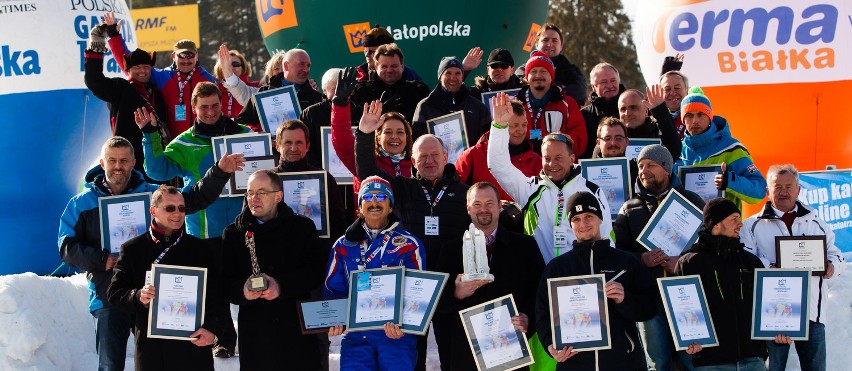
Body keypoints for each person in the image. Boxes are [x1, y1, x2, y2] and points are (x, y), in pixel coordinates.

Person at [58, 136, 241, 371]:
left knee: (155, 360)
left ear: (133, 162)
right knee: (110, 364)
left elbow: (193, 197)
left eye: (124, 160)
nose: (118, 166)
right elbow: (66, 246)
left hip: (157, 296)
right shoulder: (81, 203)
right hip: (109, 292)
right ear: (102, 163)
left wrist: (218, 172)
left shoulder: (152, 195)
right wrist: (103, 259)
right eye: (112, 160)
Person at [355, 102, 470, 370]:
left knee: (454, 356)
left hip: (450, 286)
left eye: (434, 155)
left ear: (445, 155)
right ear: (413, 160)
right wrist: (363, 134)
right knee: (411, 358)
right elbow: (367, 173)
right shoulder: (403, 188)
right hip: (411, 287)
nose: (429, 161)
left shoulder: (465, 193)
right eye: (422, 157)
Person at [107, 186, 230, 371]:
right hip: (152, 350)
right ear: (153, 210)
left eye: (182, 208)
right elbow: (114, 294)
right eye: (170, 208)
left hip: (193, 346)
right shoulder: (133, 249)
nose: (178, 214)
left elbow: (217, 297)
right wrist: (138, 295)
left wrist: (213, 330)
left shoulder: (201, 249)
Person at [740, 164, 845, 371]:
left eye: (789, 186)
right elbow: (744, 260)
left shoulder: (816, 223)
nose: (783, 191)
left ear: (798, 190)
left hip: (811, 312)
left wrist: (832, 266)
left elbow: (835, 254)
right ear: (768, 191)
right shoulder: (752, 225)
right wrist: (772, 268)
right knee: (774, 368)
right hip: (773, 315)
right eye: (777, 186)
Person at [535, 191, 658, 370]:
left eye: (588, 216)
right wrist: (550, 345)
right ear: (570, 224)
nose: (583, 223)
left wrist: (625, 300)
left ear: (600, 219)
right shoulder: (557, 268)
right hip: (575, 364)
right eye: (576, 219)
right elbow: (542, 314)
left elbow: (651, 306)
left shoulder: (626, 262)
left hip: (622, 362)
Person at [488, 92, 611, 264]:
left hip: (582, 278)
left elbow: (607, 237)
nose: (552, 164)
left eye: (559, 158)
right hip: (541, 277)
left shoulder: (591, 190)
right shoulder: (530, 189)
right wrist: (499, 126)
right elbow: (498, 165)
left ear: (572, 158)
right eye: (547, 158)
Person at [221, 170, 327, 370]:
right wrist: (242, 291)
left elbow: (316, 272)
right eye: (250, 193)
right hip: (256, 333)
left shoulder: (302, 228)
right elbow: (225, 284)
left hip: (295, 328)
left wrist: (281, 285)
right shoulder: (234, 233)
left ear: (278, 196)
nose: (254, 198)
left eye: (261, 192)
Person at [613, 144, 705, 371]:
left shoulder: (692, 201)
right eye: (641, 166)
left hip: (686, 296)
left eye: (650, 165)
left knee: (693, 361)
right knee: (657, 362)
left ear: (666, 169)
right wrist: (641, 259)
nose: (644, 171)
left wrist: (681, 263)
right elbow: (618, 253)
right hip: (649, 297)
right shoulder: (629, 208)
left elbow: (707, 248)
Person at [437, 182, 545, 370]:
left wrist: (528, 318)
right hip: (467, 354)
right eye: (477, 204)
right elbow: (437, 303)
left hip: (510, 349)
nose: (483, 209)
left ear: (500, 206)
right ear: (468, 208)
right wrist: (456, 293)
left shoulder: (524, 246)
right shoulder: (451, 250)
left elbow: (539, 293)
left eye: (489, 203)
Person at [324, 176, 426, 370]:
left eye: (381, 196)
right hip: (357, 338)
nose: (374, 202)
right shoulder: (342, 246)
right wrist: (334, 319)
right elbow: (333, 289)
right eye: (368, 197)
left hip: (396, 336)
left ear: (390, 206)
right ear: (360, 207)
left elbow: (418, 292)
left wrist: (406, 325)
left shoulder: (409, 244)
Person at [138, 81, 251, 240]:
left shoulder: (245, 134)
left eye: (215, 105)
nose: (210, 112)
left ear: (221, 104)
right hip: (204, 233)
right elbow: (157, 171)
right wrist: (150, 135)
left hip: (243, 228)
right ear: (193, 108)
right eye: (204, 107)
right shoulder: (184, 143)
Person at [675, 198, 768, 370]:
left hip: (752, 359)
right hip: (711, 362)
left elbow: (766, 307)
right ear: (716, 225)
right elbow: (682, 310)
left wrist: (779, 330)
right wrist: (689, 339)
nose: (740, 224)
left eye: (739, 218)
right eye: (734, 219)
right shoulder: (690, 263)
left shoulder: (750, 261)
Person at [104, 12, 216, 138]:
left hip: (203, 142)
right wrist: (114, 35)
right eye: (182, 56)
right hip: (174, 145)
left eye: (190, 56)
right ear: (173, 56)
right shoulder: (163, 77)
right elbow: (133, 64)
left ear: (196, 56)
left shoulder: (208, 80)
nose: (186, 60)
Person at [84, 23, 166, 183]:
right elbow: (94, 81)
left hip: (155, 161)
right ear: (128, 70)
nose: (142, 71)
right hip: (128, 161)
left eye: (146, 67)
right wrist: (96, 44)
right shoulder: (121, 89)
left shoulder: (157, 93)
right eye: (137, 67)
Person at [673, 87, 767, 211]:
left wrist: (729, 181)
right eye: (689, 115)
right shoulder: (677, 151)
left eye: (701, 114)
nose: (695, 121)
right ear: (683, 120)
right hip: (687, 226)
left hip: (724, 227)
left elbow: (759, 191)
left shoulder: (731, 148)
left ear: (710, 117)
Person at [332, 89, 414, 209]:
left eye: (400, 132)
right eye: (388, 132)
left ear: (407, 137)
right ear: (378, 138)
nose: (394, 136)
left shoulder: (417, 165)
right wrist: (340, 104)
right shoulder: (364, 161)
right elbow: (341, 141)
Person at [273, 120, 347, 247]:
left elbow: (338, 222)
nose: (293, 148)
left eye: (299, 142)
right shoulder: (267, 179)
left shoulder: (325, 179)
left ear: (307, 146)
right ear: (278, 146)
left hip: (315, 250)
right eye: (288, 142)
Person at [455, 99, 541, 202]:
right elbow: (456, 194)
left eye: (524, 125)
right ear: (502, 124)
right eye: (514, 125)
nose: (521, 131)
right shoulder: (472, 156)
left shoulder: (536, 161)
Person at [514, 52, 586, 155]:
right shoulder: (515, 104)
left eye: (543, 71)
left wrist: (554, 151)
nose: (538, 75)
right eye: (533, 71)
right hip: (523, 165)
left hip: (556, 165)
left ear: (551, 76)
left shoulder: (568, 104)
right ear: (527, 76)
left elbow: (579, 139)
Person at [412, 56, 491, 147]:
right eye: (448, 73)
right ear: (440, 76)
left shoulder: (478, 107)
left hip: (470, 160)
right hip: (434, 160)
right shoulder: (425, 106)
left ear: (462, 76)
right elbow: (416, 141)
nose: (453, 78)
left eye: (457, 73)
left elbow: (488, 140)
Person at [236, 49, 324, 130]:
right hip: (272, 146)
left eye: (308, 65)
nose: (306, 69)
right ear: (286, 66)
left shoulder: (316, 98)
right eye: (301, 64)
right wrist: (259, 133)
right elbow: (241, 123)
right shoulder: (264, 93)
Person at [349, 43, 430, 124]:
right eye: (384, 66)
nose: (389, 70)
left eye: (394, 66)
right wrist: (379, 112)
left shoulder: (418, 90)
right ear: (376, 67)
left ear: (402, 66)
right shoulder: (361, 91)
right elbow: (351, 123)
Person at [515, 23, 586, 105]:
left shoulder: (571, 71)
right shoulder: (523, 70)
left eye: (554, 40)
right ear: (537, 44)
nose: (549, 44)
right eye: (545, 40)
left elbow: (580, 91)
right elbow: (516, 86)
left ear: (561, 46)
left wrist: (556, 92)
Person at [616, 86, 681, 160]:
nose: (627, 113)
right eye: (623, 109)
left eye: (633, 108)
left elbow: (674, 151)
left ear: (646, 111)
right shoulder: (613, 137)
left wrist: (660, 111)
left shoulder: (659, 132)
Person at [580, 62, 626, 159]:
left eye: (613, 81)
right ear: (593, 86)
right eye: (603, 82)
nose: (609, 86)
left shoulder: (630, 109)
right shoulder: (584, 115)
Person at [355, 25, 422, 82]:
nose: (367, 55)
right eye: (365, 51)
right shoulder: (358, 75)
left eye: (372, 52)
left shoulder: (409, 76)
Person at [213, 44, 259, 121]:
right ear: (221, 68)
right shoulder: (214, 91)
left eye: (235, 64)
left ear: (243, 67)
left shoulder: (256, 87)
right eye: (227, 64)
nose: (231, 67)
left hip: (249, 131)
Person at [659, 70, 689, 140]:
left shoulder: (697, 116)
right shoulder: (655, 120)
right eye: (667, 89)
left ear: (687, 90)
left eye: (677, 88)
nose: (672, 93)